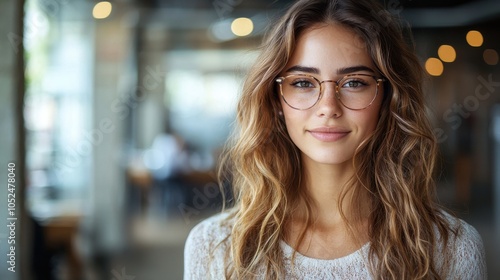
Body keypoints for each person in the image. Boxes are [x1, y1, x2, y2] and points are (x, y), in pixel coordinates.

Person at [184, 0, 487, 279]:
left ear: (388, 99)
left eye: (354, 82)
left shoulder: (451, 248)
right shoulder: (214, 246)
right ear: (276, 100)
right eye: (303, 83)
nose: (329, 107)